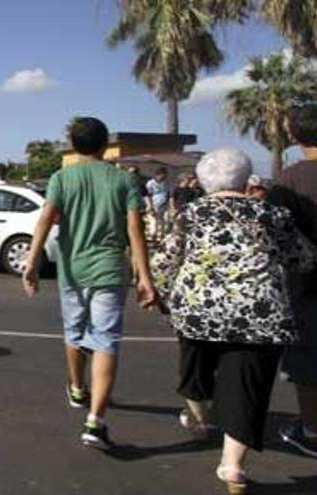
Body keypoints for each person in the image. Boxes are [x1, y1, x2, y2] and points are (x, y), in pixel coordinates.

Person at [151, 149, 315, 493]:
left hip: (199, 313)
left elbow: (166, 260)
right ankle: (232, 466)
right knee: (248, 385)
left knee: (194, 371)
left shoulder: (190, 213)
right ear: (245, 178)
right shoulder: (273, 214)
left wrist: (163, 295)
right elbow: (303, 257)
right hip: (259, 314)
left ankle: (198, 419)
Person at [22, 116, 157, 450]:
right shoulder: (123, 181)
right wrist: (145, 276)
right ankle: (96, 422)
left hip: (73, 270)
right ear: (104, 145)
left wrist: (32, 261)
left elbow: (44, 220)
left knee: (74, 331)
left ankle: (77, 387)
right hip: (111, 270)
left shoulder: (61, 178)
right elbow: (135, 231)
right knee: (106, 340)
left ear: (72, 143)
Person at [269, 103, 317, 458]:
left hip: (307, 283)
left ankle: (312, 430)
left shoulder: (288, 180)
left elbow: (275, 234)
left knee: (307, 360)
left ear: (293, 134)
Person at [146, 167, 170, 239]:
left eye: (166, 176)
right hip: (154, 205)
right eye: (163, 175)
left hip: (164, 205)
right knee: (154, 222)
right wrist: (150, 206)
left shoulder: (165, 183)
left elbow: (168, 194)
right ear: (158, 175)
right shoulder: (150, 183)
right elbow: (148, 195)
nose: (165, 177)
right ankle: (153, 237)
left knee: (164, 222)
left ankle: (161, 236)